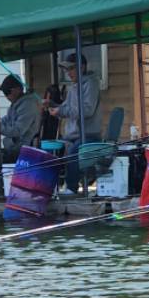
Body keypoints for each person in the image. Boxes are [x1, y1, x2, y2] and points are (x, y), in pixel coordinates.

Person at [48, 53, 101, 194]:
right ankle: (49, 187)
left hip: (89, 135)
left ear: (82, 67)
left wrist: (62, 110)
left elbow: (87, 110)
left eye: (71, 68)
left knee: (73, 152)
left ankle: (71, 188)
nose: (68, 73)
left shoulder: (91, 83)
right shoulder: (73, 87)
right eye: (67, 69)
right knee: (49, 149)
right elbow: (65, 108)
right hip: (72, 136)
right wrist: (54, 107)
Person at [0, 74, 42, 163]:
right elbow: (5, 120)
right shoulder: (17, 104)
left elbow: (17, 131)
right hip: (12, 149)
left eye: (7, 92)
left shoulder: (27, 105)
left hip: (22, 152)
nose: (6, 96)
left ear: (18, 89)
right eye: (4, 93)